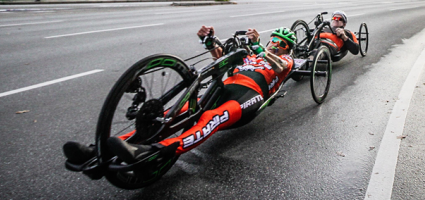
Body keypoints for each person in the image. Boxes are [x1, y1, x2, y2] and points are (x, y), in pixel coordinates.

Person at [63, 27, 296, 164]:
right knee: (174, 113)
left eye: (281, 42)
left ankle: (153, 152)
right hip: (226, 88)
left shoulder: (286, 59)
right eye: (274, 39)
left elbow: (277, 67)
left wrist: (259, 47)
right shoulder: (252, 55)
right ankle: (98, 150)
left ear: (287, 47)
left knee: (211, 118)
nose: (276, 43)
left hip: (249, 96)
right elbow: (219, 59)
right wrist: (207, 40)